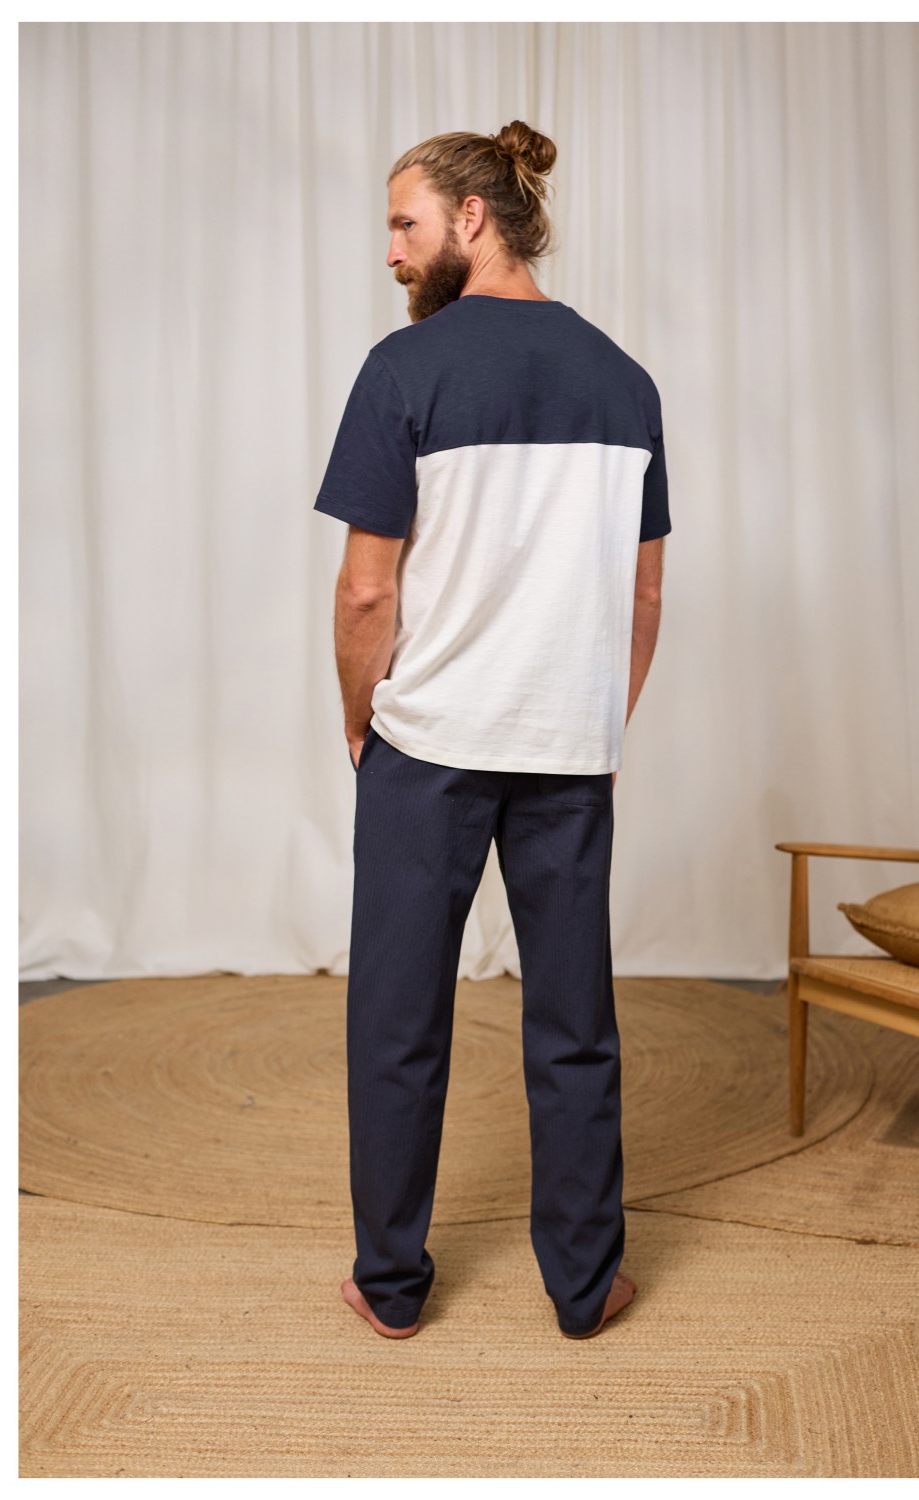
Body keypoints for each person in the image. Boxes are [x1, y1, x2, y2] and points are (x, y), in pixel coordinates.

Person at [313, 121, 668, 1340]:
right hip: (568, 748)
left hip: (429, 748)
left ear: (472, 218)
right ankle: (585, 1285)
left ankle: (391, 1285)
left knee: (397, 1021)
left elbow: (367, 593)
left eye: (405, 225)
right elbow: (644, 594)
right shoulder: (626, 381)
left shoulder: (402, 371)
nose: (393, 254)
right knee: (574, 1023)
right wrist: (592, 719)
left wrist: (359, 716)